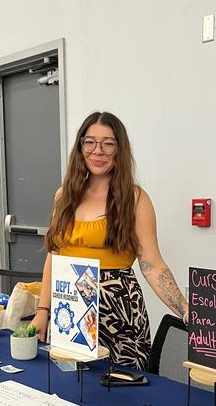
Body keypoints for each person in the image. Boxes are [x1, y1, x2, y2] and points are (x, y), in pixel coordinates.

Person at [29, 111, 188, 369]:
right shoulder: (64, 196)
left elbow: (152, 264)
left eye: (108, 143)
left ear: (119, 149)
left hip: (119, 313)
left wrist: (185, 309)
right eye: (90, 142)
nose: (98, 151)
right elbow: (54, 256)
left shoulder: (134, 199)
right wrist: (42, 311)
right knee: (70, 388)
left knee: (120, 395)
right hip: (70, 309)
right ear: (80, 147)